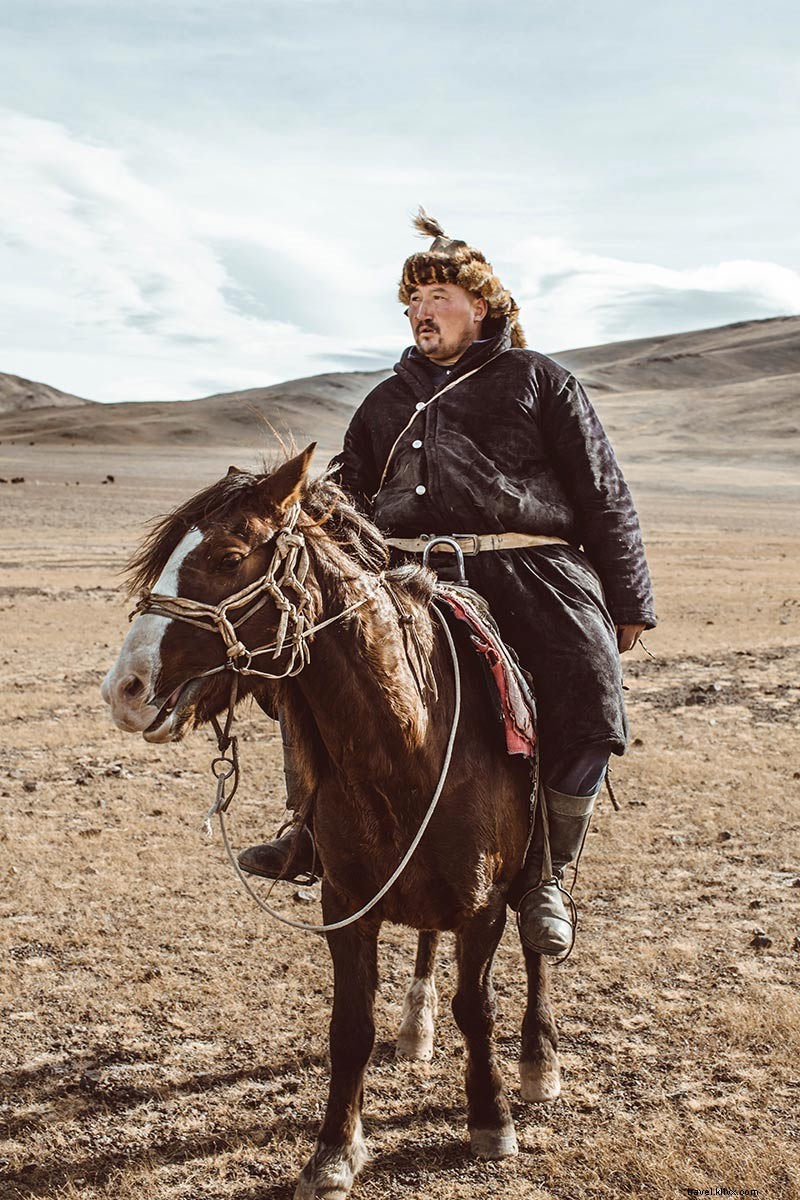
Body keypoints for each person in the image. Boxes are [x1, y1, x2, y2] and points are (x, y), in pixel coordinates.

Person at [239, 209, 656, 957]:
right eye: (413, 300)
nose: (422, 312)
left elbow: (602, 491)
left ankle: (547, 874)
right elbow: (344, 497)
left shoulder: (538, 380)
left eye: (438, 297)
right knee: (309, 674)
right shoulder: (385, 401)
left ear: (482, 307)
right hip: (406, 577)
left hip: (528, 571)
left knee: (589, 690)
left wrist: (627, 599)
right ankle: (308, 831)